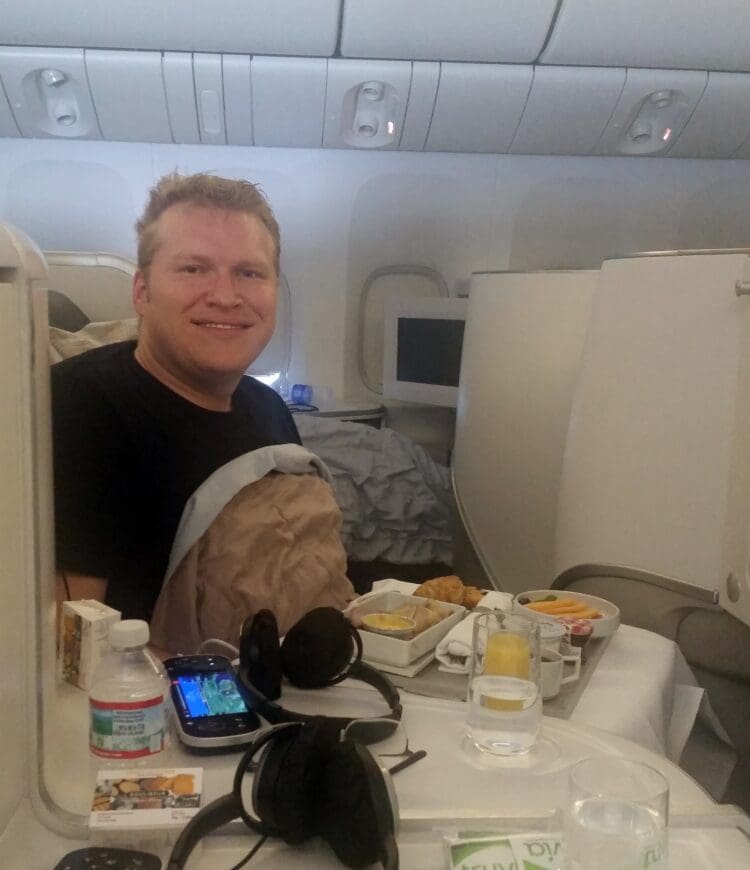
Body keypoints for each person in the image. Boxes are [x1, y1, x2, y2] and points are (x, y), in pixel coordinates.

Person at [53, 172, 302, 623]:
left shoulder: (271, 412)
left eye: (248, 273)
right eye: (193, 269)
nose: (225, 296)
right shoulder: (80, 407)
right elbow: (72, 644)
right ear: (142, 292)